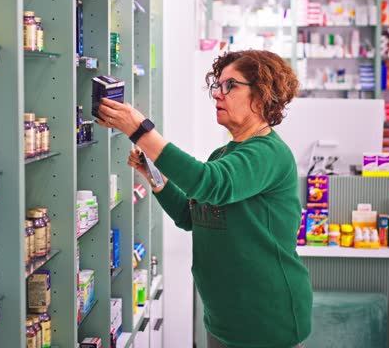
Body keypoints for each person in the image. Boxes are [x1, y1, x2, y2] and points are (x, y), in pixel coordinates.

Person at [96, 50, 313, 348]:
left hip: (266, 320)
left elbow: (209, 183)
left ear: (262, 95)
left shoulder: (269, 153)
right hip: (223, 318)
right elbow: (191, 217)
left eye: (230, 86)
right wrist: (155, 177)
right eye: (217, 86)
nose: (218, 95)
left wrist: (140, 130)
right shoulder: (223, 155)